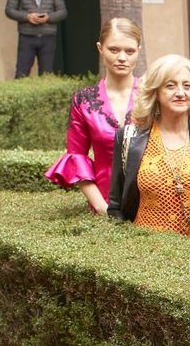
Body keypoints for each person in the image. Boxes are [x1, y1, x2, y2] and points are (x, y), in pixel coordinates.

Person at [107, 54, 190, 240]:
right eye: (170, 86)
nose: (180, 93)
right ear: (155, 92)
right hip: (145, 253)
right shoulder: (129, 138)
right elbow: (116, 206)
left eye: (187, 86)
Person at [47, 17, 141, 214]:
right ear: (100, 48)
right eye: (114, 50)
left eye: (129, 51)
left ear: (138, 51)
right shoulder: (84, 101)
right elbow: (77, 156)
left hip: (153, 206)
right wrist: (102, 208)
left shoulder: (152, 96)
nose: (122, 57)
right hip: (103, 206)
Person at [5, 0, 67, 78]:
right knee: (21, 74)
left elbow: (62, 12)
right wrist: (27, 17)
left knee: (46, 75)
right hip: (27, 36)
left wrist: (48, 17)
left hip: (47, 36)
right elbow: (9, 10)